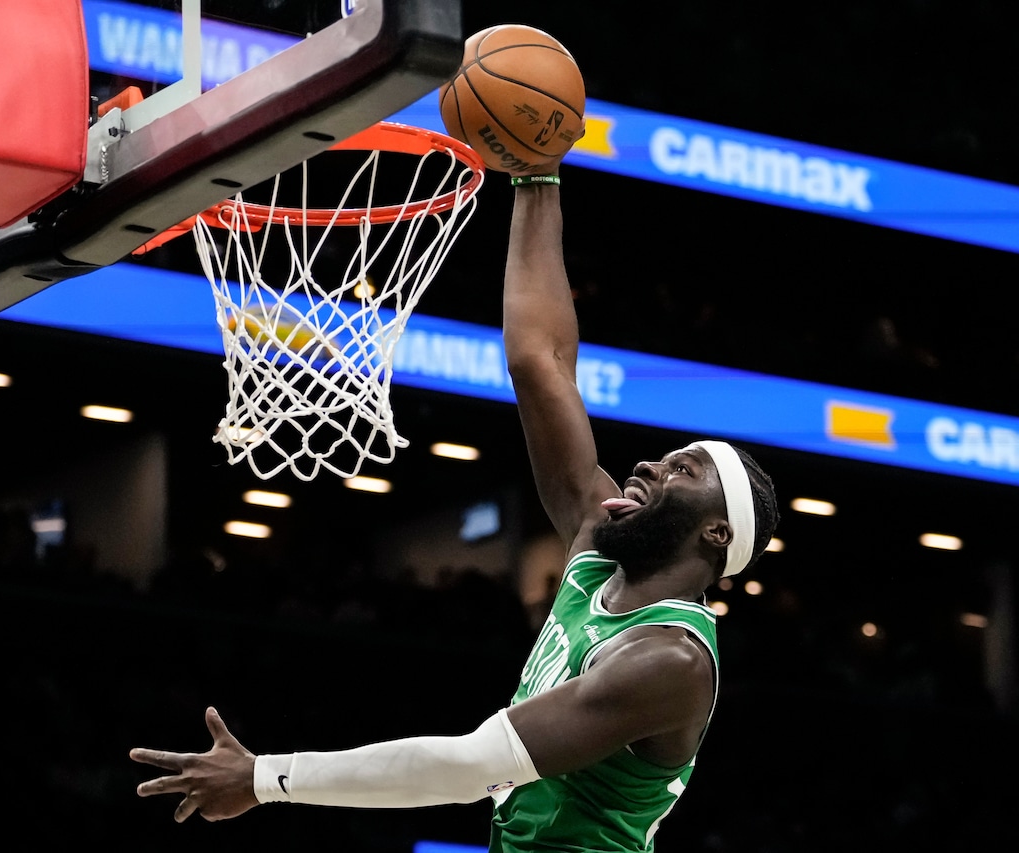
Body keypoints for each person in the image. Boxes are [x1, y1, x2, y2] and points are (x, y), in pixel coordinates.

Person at [129, 171, 780, 851]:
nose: (652, 465)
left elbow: (472, 765)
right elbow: (541, 361)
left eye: (685, 471)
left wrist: (267, 777)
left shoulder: (669, 659)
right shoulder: (601, 537)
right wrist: (538, 179)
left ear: (717, 531)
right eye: (667, 456)